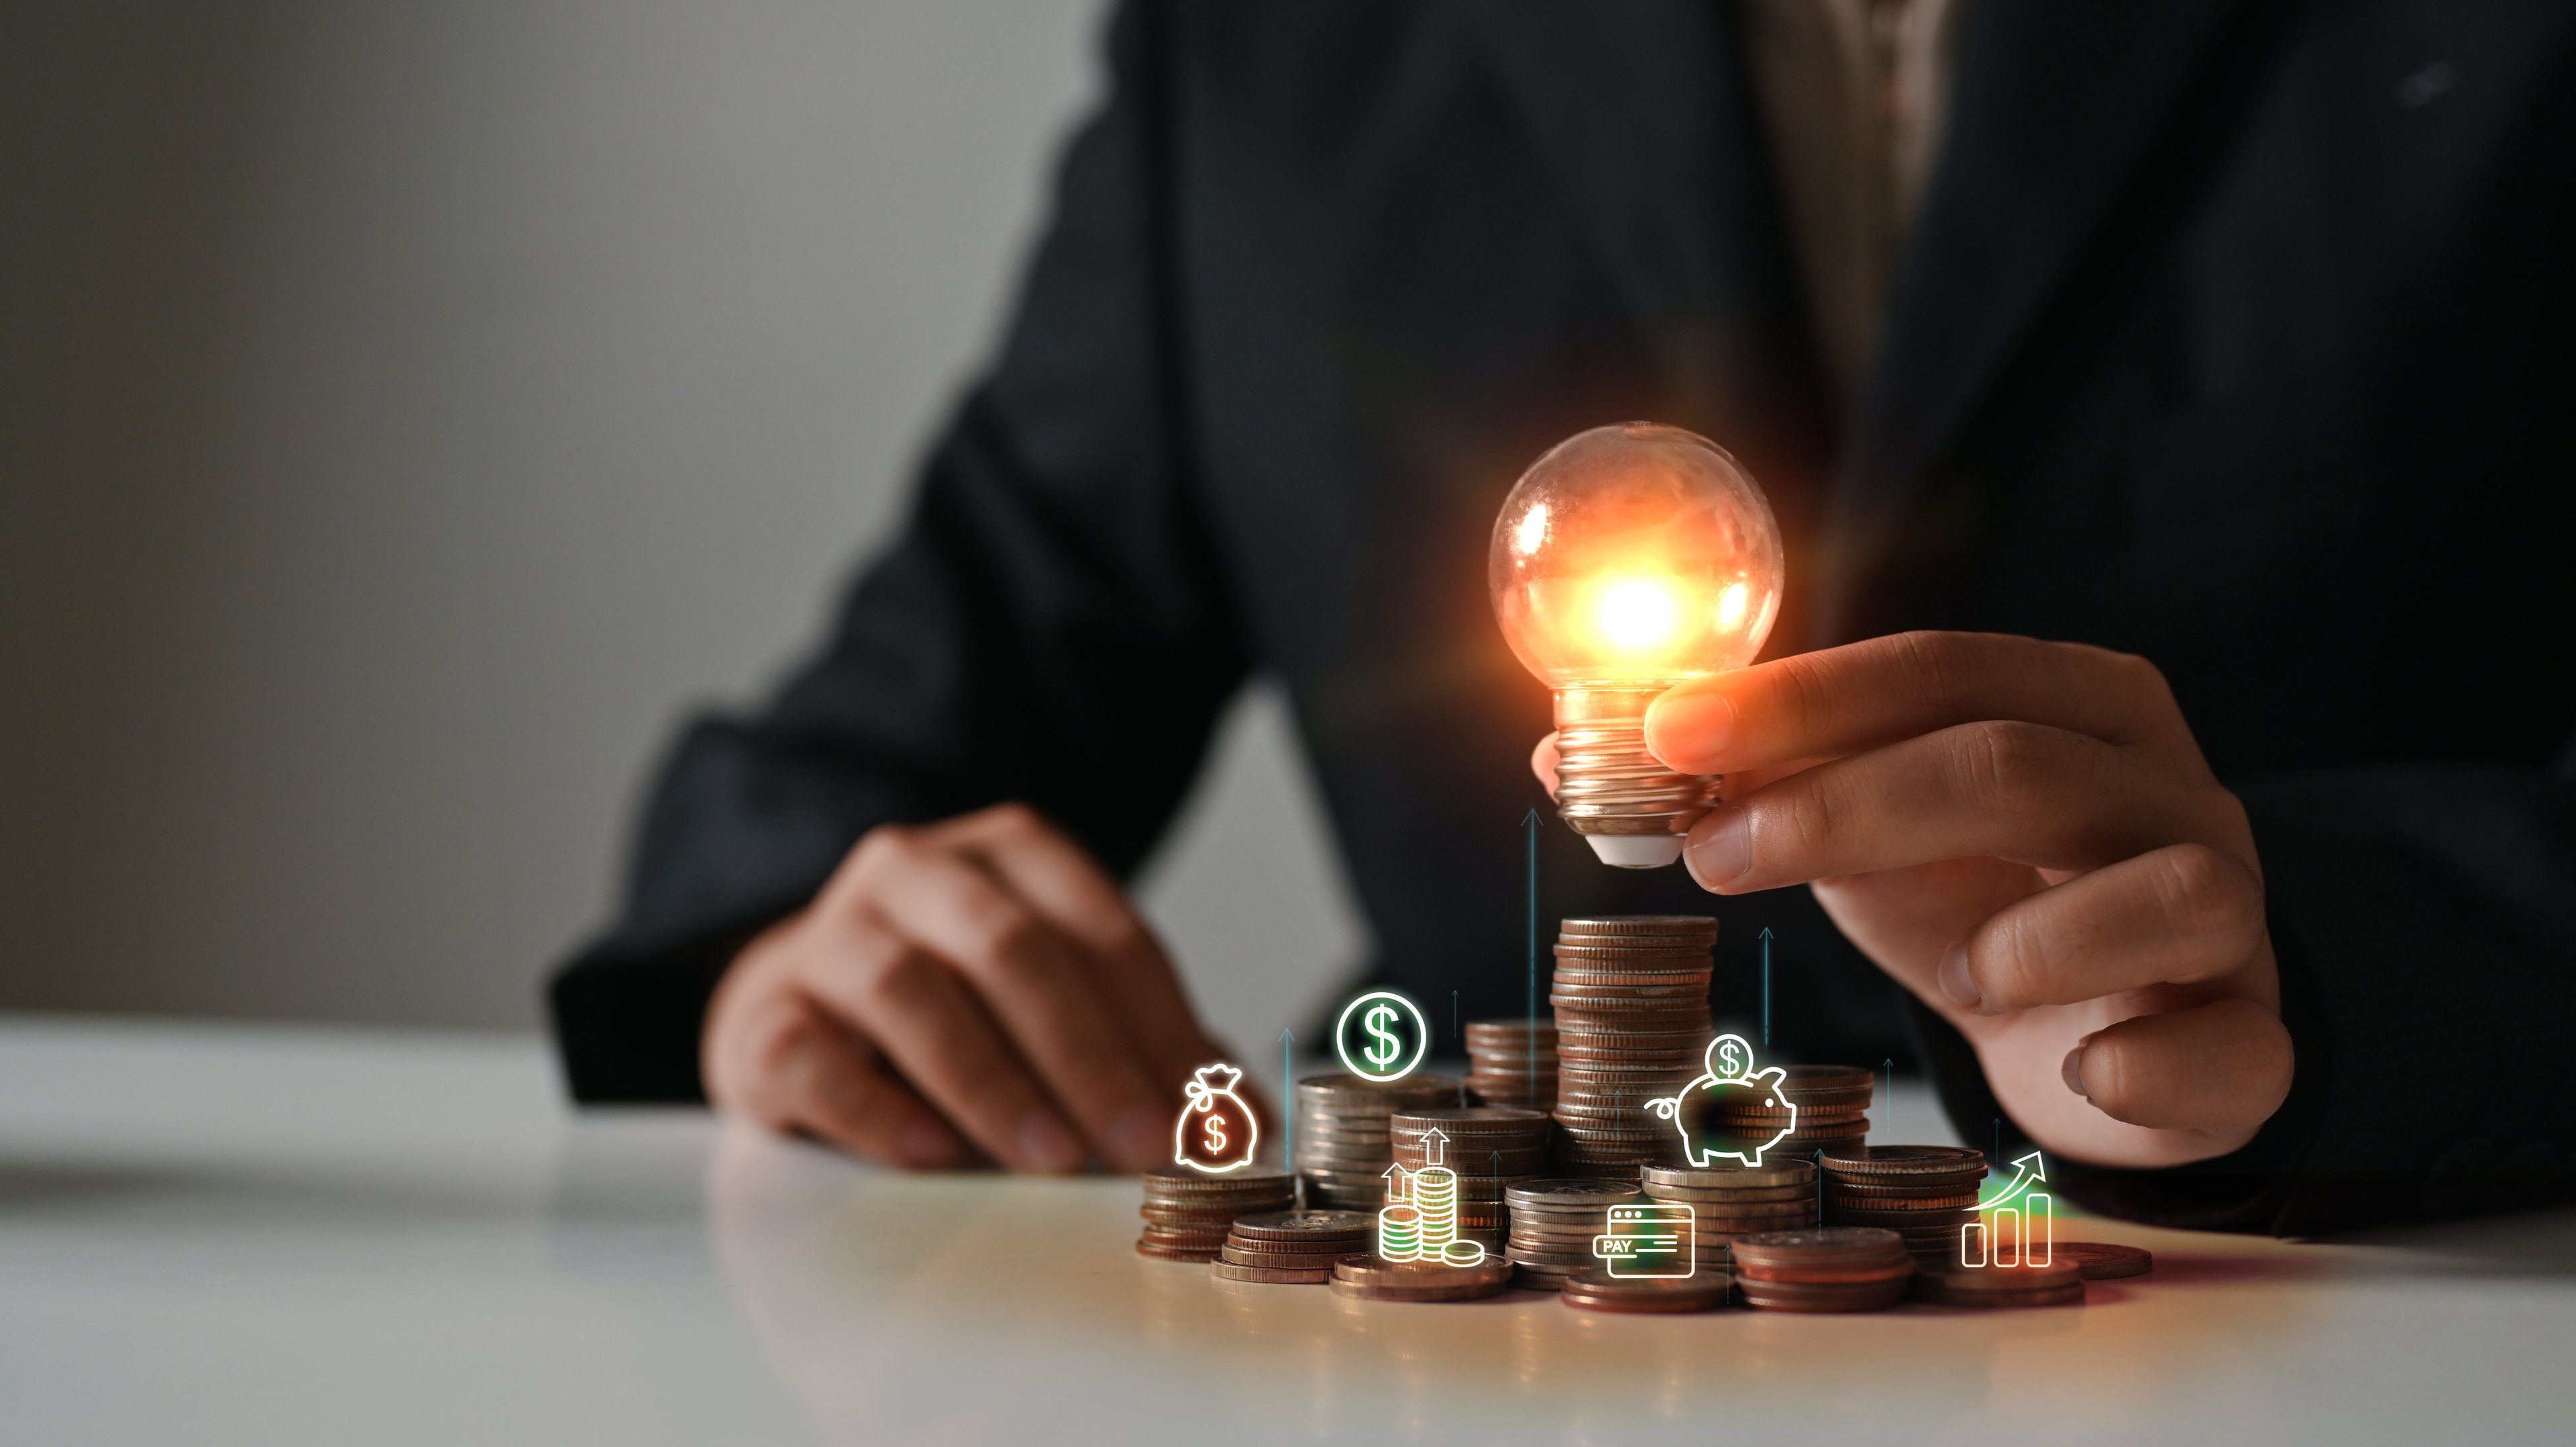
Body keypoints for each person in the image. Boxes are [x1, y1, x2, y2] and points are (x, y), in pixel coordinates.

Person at [549, 1, 2576, 1234]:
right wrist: (803, 951)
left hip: (2321, 1297)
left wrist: (2309, 953)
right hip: (1486, 1312)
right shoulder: (1268, 49)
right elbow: (892, 746)